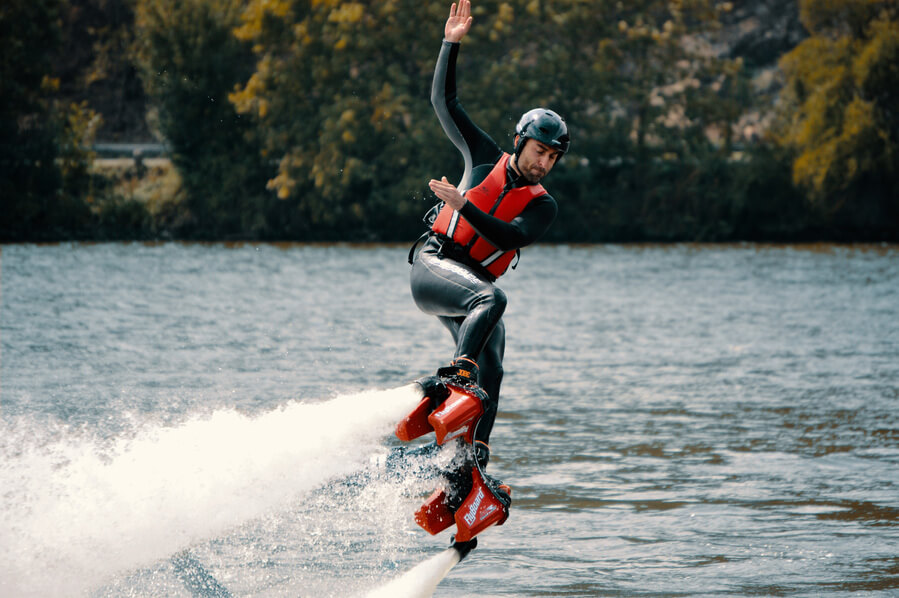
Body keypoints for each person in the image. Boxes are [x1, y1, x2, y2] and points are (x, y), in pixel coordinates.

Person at [409, 0, 569, 470]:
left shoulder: (543, 205)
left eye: (552, 157)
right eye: (539, 151)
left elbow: (509, 238)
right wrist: (450, 44)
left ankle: (470, 456)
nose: (543, 163)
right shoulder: (483, 156)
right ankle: (458, 379)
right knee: (491, 301)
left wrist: (464, 206)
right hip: (435, 266)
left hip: (474, 284)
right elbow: (444, 103)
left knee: (494, 358)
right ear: (520, 142)